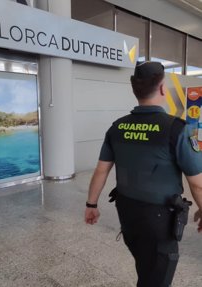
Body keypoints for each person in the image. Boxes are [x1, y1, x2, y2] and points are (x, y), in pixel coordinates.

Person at [85, 61, 202, 287]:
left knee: (145, 265)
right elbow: (197, 184)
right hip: (161, 221)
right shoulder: (177, 129)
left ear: (134, 90)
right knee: (157, 276)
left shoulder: (117, 127)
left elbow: (101, 170)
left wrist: (91, 205)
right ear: (162, 89)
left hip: (127, 212)